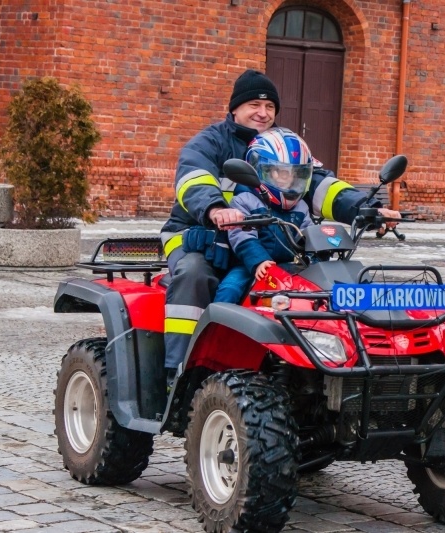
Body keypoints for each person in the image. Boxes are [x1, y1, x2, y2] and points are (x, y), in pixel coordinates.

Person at [160, 68, 401, 385]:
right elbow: (193, 176)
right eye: (254, 106)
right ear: (235, 108)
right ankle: (180, 373)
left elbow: (320, 184)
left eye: (270, 107)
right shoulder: (210, 143)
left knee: (313, 285)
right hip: (202, 239)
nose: (263, 113)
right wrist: (216, 208)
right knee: (195, 275)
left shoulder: (284, 145)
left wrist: (365, 210)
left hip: (265, 240)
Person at [213, 127, 314, 304]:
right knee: (230, 288)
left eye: (292, 173)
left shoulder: (301, 206)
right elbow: (242, 236)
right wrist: (259, 261)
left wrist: (318, 254)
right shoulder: (244, 201)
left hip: (288, 266)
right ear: (260, 170)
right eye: (277, 171)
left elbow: (309, 234)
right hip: (251, 265)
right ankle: (216, 324)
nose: (285, 178)